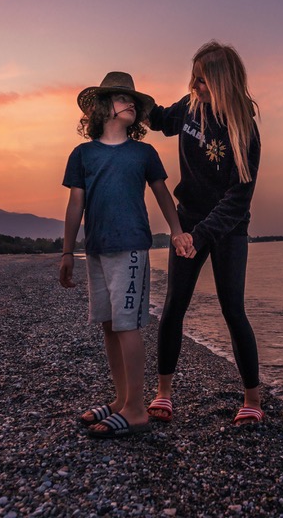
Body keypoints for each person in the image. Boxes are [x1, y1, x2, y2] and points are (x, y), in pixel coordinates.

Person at [59, 71, 190, 439]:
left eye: (133, 99)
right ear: (102, 108)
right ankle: (121, 399)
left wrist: (177, 231)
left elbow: (163, 194)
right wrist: (68, 250)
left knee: (127, 325)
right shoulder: (83, 154)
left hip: (131, 246)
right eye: (121, 98)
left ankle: (136, 408)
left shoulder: (143, 153)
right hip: (96, 249)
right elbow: (75, 205)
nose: (130, 103)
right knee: (108, 324)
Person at [147, 41, 265, 426]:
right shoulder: (189, 107)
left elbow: (237, 199)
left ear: (221, 81)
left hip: (228, 230)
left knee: (233, 310)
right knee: (174, 307)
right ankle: (163, 393)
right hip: (188, 222)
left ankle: (252, 398)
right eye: (193, 78)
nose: (194, 85)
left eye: (201, 80)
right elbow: (161, 119)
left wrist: (200, 236)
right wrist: (133, 100)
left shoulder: (244, 130)